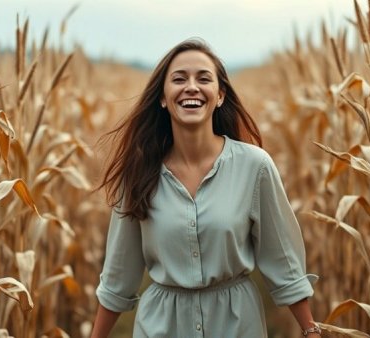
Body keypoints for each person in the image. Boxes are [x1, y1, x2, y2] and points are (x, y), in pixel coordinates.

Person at [91, 38, 321, 338]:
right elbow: (118, 275)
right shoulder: (138, 173)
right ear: (163, 97)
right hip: (161, 327)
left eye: (203, 78)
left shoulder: (255, 166)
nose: (191, 87)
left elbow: (283, 259)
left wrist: (310, 330)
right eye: (178, 79)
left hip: (238, 325)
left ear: (220, 95)